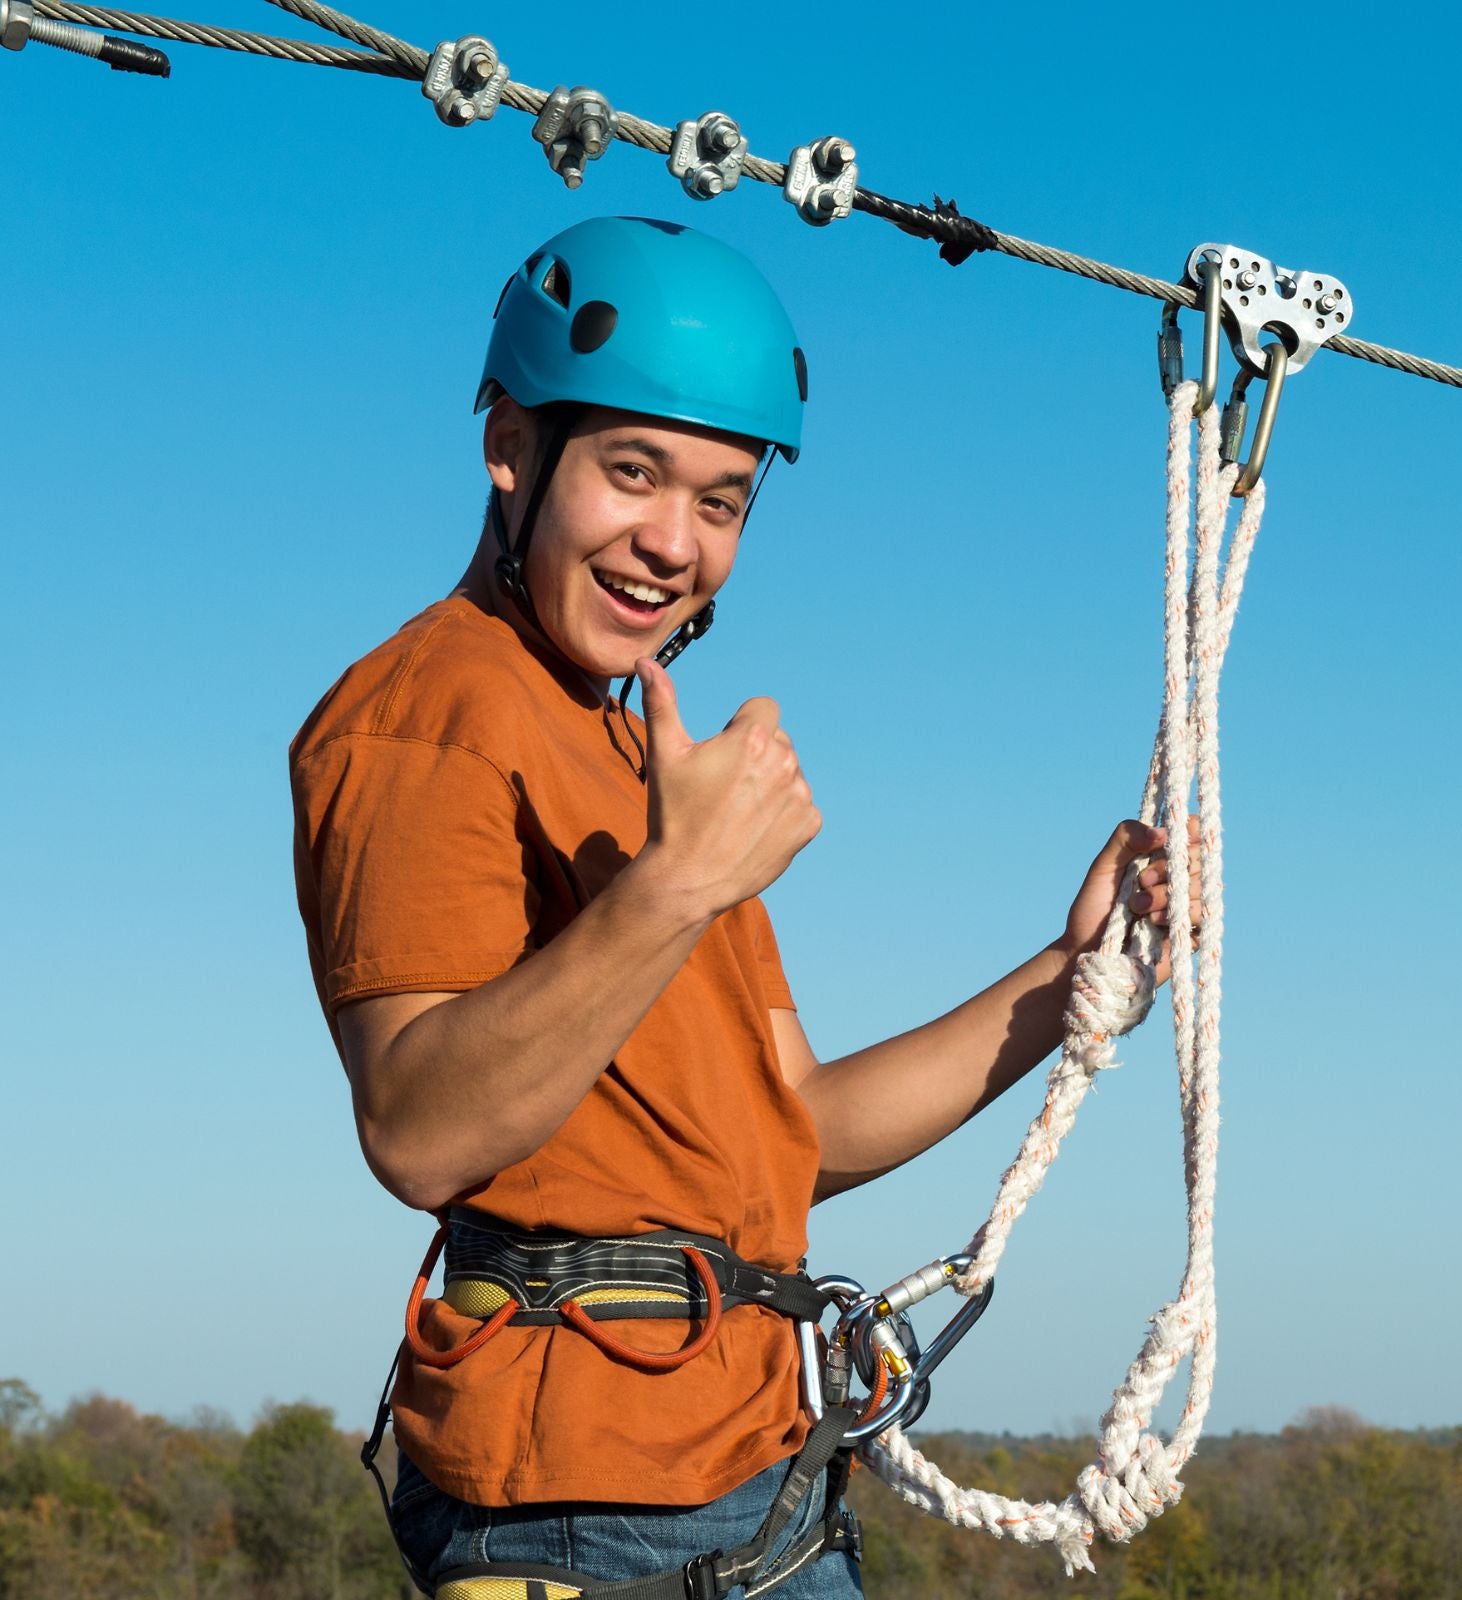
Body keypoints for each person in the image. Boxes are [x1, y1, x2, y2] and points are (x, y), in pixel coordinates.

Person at [288, 215, 1185, 1599]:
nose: (673, 542)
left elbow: (796, 1133)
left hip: (745, 1470)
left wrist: (1071, 979)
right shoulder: (431, 718)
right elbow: (419, 1129)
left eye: (722, 500)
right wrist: (684, 880)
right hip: (592, 1506)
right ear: (515, 448)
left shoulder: (635, 752)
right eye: (632, 473)